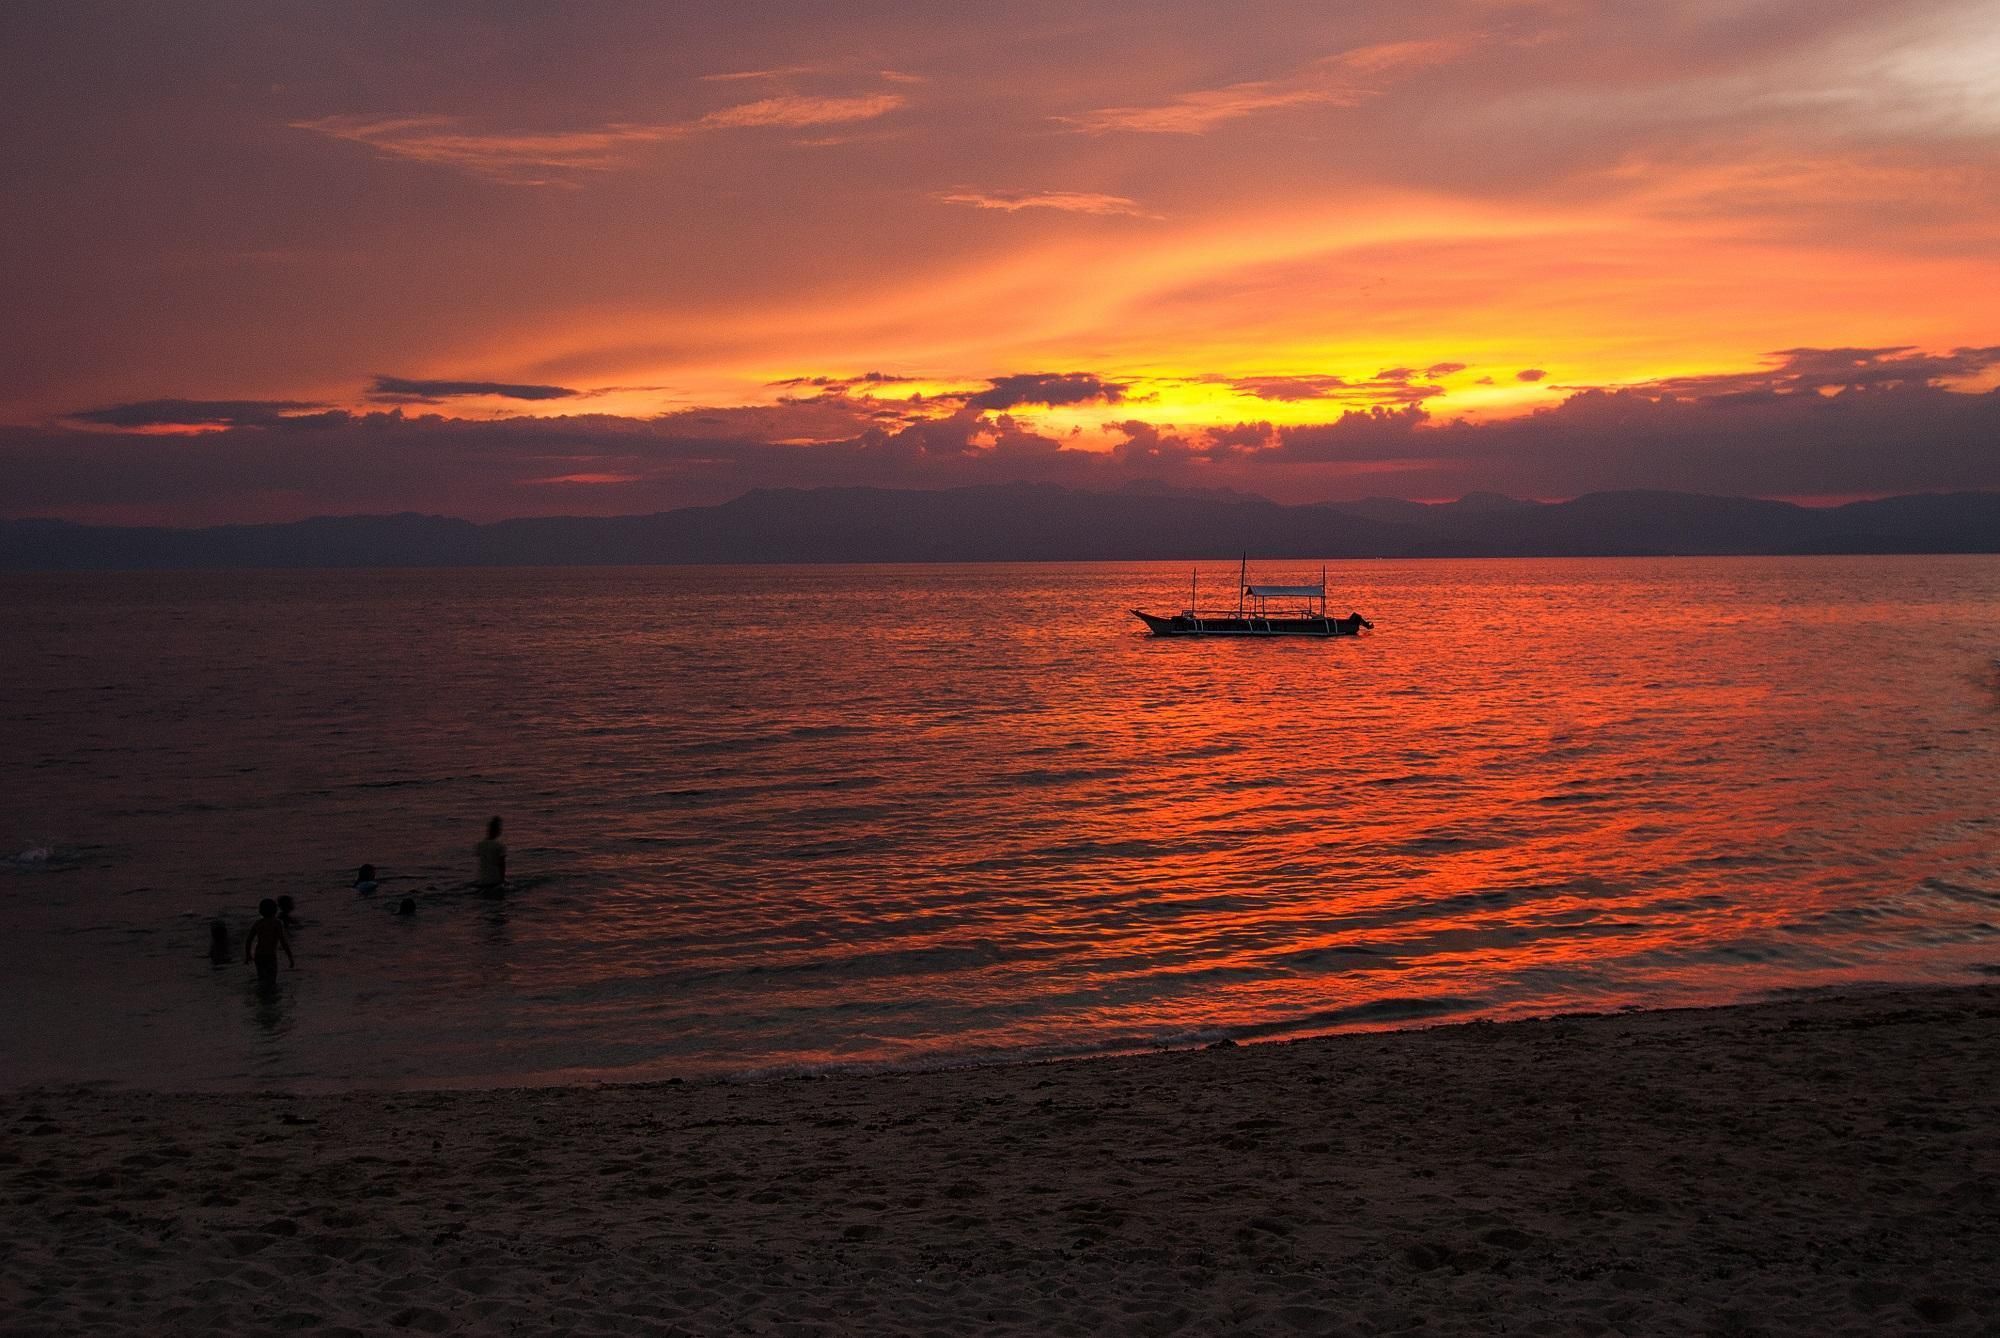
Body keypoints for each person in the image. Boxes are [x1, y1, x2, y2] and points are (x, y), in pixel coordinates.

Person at [245, 898, 294, 989]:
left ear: (260, 911)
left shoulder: (258, 923)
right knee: (272, 979)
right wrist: (290, 957)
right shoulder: (277, 923)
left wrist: (248, 955)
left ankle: (262, 993)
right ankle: (270, 994)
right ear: (275, 911)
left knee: (261, 977)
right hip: (270, 955)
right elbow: (283, 942)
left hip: (258, 955)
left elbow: (249, 940)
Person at [475, 816, 506, 891]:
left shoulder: (480, 845)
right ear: (497, 831)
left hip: (482, 879)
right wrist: (502, 880)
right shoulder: (500, 846)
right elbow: (502, 865)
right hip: (495, 879)